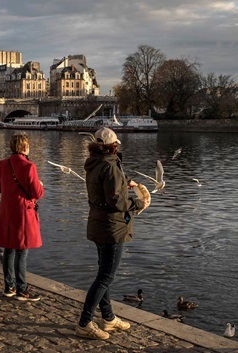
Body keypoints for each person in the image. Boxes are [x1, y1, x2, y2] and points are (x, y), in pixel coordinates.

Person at [75, 127, 149, 340]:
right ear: (113, 146)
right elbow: (116, 200)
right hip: (112, 227)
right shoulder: (110, 166)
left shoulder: (94, 163)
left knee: (103, 273)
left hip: (98, 224)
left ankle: (107, 318)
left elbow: (106, 185)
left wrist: (127, 182)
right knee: (106, 276)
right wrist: (138, 202)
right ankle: (84, 323)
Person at [0, 132, 44, 301]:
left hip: (7, 211)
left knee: (9, 249)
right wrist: (41, 186)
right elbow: (37, 192)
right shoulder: (29, 166)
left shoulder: (2, 164)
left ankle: (9, 286)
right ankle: (22, 288)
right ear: (24, 147)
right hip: (23, 212)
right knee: (22, 250)